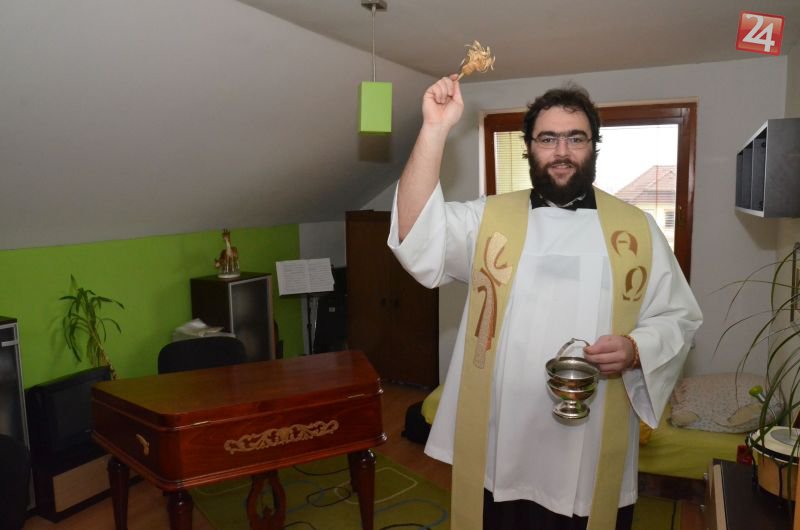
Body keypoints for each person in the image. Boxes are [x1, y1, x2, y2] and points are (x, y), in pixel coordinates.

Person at [387, 74, 702, 530]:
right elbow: (415, 232)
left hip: (593, 431)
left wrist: (636, 349)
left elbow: (678, 317)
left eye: (576, 138)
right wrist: (434, 129)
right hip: (502, 431)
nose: (561, 151)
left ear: (594, 146)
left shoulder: (637, 230)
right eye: (548, 138)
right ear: (529, 148)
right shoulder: (488, 218)